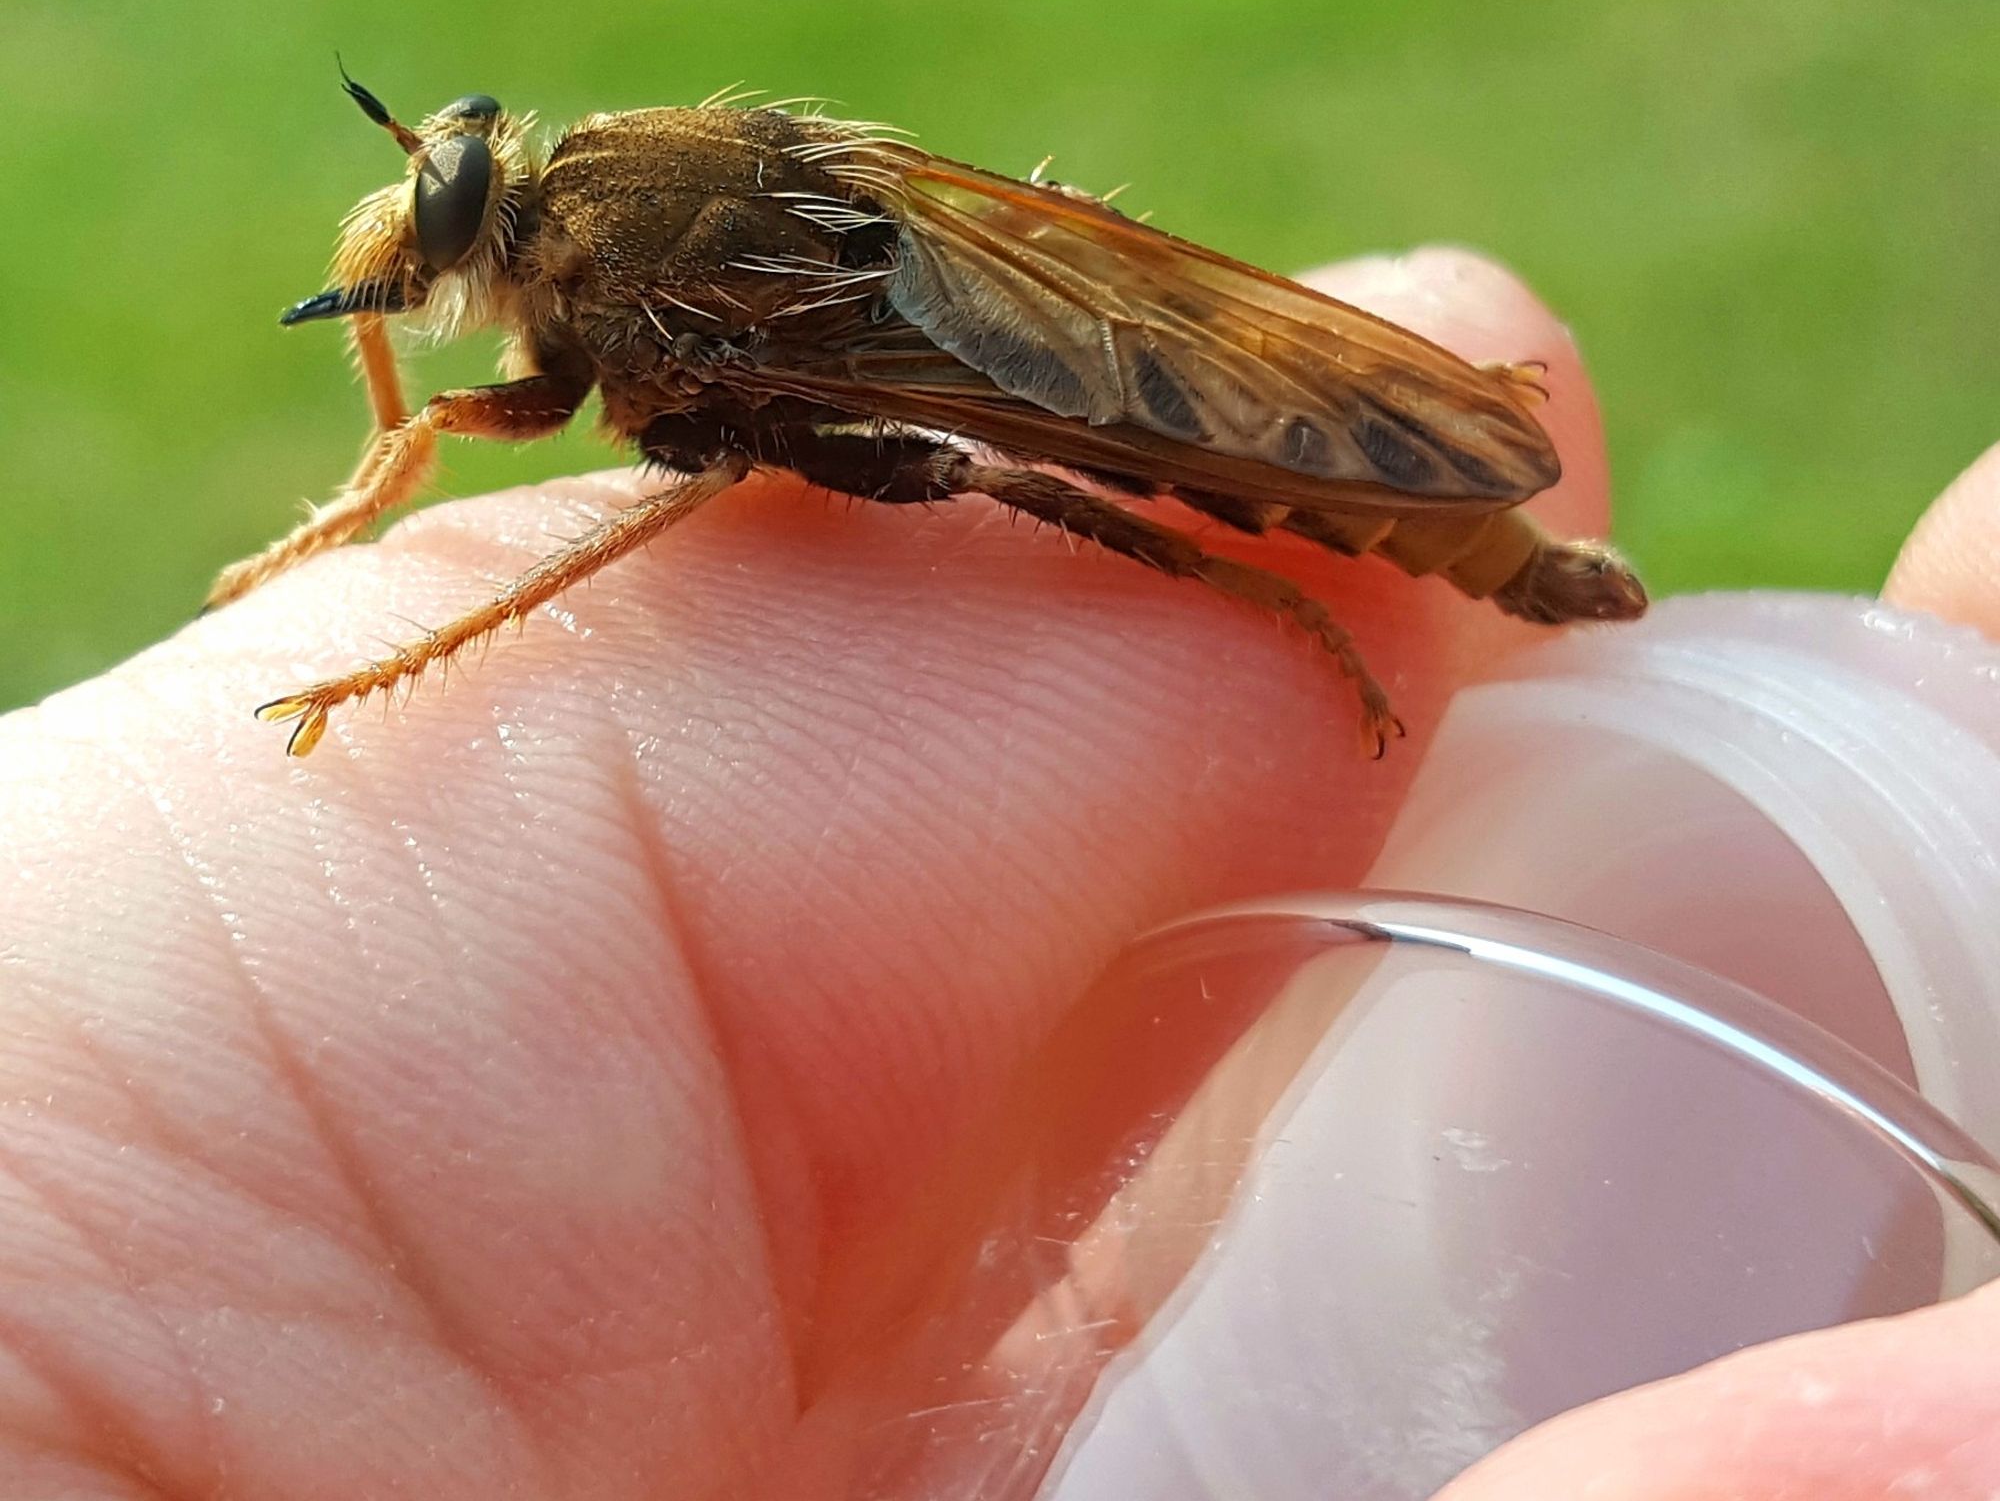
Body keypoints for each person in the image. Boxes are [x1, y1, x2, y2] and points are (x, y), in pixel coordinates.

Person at [0, 249, 1993, 1500]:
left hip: (1121, 384)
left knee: (968, 450)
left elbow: (729, 481)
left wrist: (424, 639)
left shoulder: (675, 286)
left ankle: (1256, 569)